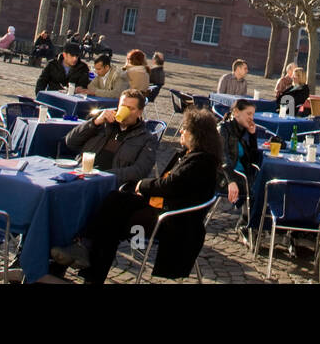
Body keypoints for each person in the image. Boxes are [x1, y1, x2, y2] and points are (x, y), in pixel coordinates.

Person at [75, 108, 220, 283]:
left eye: (185, 128)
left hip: (172, 220)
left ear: (197, 135)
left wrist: (141, 185)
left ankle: (88, 261)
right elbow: (168, 185)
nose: (181, 131)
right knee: (114, 201)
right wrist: (142, 188)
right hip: (162, 205)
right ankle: (87, 254)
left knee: (113, 219)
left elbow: (169, 185)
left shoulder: (201, 162)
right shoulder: (191, 155)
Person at [60, 89, 157, 187]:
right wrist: (95, 122)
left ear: (140, 112)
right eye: (122, 106)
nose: (125, 111)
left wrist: (103, 175)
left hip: (109, 185)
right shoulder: (102, 124)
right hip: (81, 176)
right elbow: (70, 142)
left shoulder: (146, 138)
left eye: (130, 108)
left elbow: (140, 171)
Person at [218, 99, 262, 233]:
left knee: (264, 184)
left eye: (253, 115)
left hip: (242, 174)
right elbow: (222, 157)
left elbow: (253, 158)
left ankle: (252, 223)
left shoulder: (243, 130)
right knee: (258, 188)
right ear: (236, 113)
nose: (251, 118)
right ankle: (247, 225)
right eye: (248, 114)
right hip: (225, 176)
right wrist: (231, 180)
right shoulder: (223, 129)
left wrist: (253, 136)